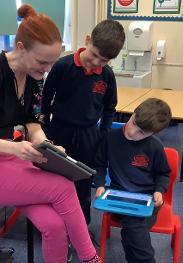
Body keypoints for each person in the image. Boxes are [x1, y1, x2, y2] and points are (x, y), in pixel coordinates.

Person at [0, 4, 102, 263]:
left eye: (51, 62)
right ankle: (91, 259)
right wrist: (16, 149)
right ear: (20, 47)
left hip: (3, 159)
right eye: (42, 62)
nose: (47, 69)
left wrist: (46, 146)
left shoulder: (34, 76)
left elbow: (33, 123)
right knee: (63, 188)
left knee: (53, 225)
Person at [42, 19, 125, 225]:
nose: (96, 63)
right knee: (54, 179)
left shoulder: (107, 75)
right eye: (94, 55)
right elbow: (44, 101)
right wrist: (44, 133)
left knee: (82, 183)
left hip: (89, 135)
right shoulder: (62, 66)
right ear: (88, 41)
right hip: (59, 132)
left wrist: (103, 135)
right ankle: (53, 226)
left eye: (104, 60)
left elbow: (109, 108)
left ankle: (80, 227)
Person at [94, 98, 172, 263]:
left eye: (141, 132)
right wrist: (100, 184)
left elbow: (163, 173)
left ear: (153, 134)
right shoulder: (110, 137)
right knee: (133, 225)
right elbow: (99, 163)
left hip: (147, 199)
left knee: (133, 227)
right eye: (133, 122)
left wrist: (159, 191)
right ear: (133, 113)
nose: (132, 132)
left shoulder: (155, 146)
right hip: (118, 195)